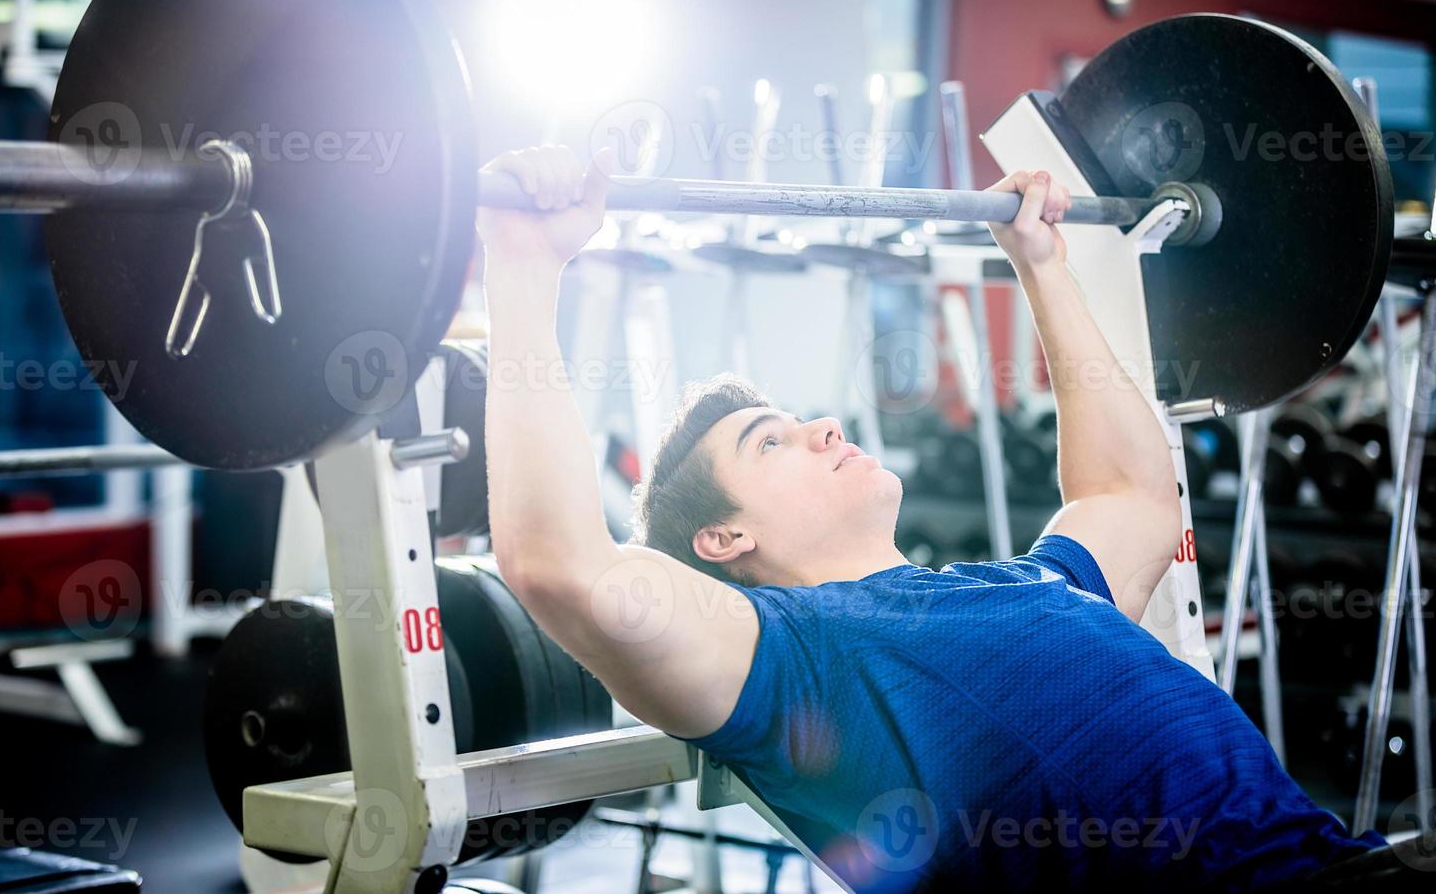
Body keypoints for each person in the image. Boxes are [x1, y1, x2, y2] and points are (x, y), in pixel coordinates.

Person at [477, 145, 1387, 891]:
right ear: (724, 541)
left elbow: (1133, 497)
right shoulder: (790, 660)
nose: (825, 426)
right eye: (771, 444)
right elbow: (560, 564)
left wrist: (1041, 267)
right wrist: (525, 267)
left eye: (801, 420)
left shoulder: (1029, 580)